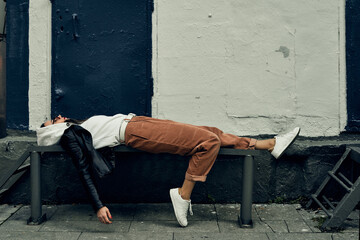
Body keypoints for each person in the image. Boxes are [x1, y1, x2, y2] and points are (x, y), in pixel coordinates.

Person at [37, 113, 300, 227]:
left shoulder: (77, 129)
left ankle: (269, 144)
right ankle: (183, 195)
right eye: (53, 120)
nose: (58, 116)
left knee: (211, 133)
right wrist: (98, 206)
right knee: (207, 142)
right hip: (135, 131)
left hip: (137, 122)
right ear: (50, 131)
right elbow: (84, 170)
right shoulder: (70, 136)